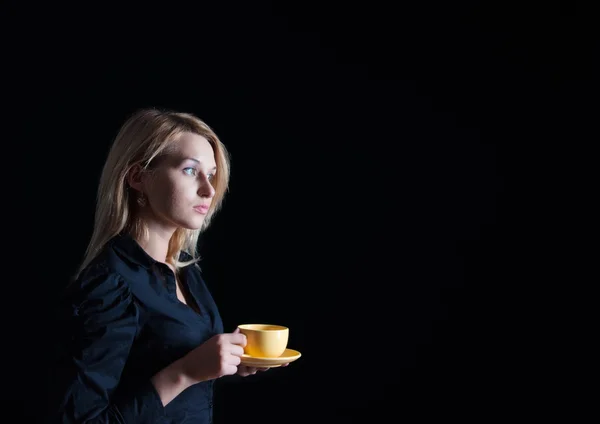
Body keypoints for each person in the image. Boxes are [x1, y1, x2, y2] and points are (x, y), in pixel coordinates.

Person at [46, 108, 284, 423]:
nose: (209, 190)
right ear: (138, 177)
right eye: (190, 170)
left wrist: (229, 360)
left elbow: (162, 365)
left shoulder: (185, 272)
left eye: (211, 175)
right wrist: (186, 372)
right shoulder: (110, 283)